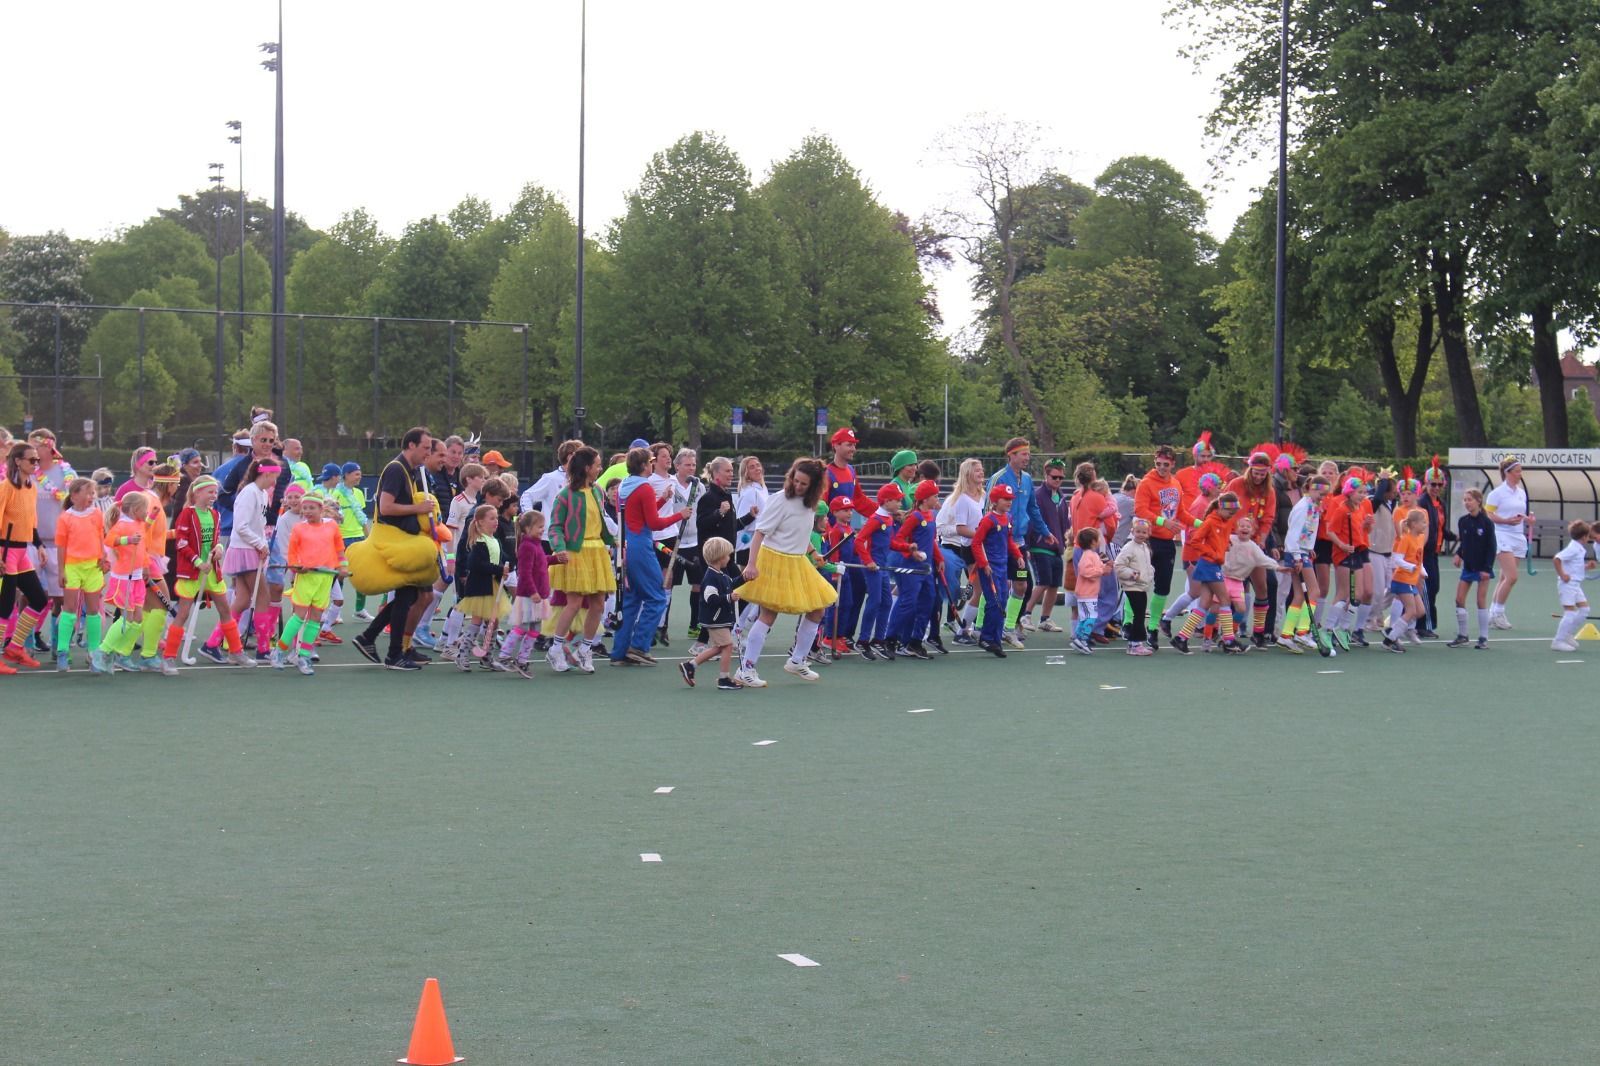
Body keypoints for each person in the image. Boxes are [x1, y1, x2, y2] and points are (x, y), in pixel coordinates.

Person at [734, 457, 840, 687]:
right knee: (768, 615)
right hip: (774, 560)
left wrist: (813, 552)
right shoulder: (780, 500)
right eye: (795, 480)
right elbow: (760, 533)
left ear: (814, 486)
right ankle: (746, 669)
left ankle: (797, 660)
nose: (797, 485)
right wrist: (751, 564)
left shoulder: (811, 503)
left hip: (798, 561)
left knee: (817, 610)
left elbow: (799, 532)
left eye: (803, 483)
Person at [352, 427, 441, 671]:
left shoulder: (410, 470)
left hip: (403, 540)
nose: (428, 453)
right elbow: (386, 507)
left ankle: (372, 638)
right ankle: (393, 654)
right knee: (406, 596)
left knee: (409, 595)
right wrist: (419, 509)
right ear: (411, 445)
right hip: (394, 541)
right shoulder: (395, 469)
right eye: (425, 447)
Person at [159, 475, 253, 674]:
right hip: (192, 572)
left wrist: (219, 548)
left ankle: (236, 652)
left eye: (215, 492)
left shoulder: (215, 514)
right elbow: (181, 543)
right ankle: (168, 658)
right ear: (197, 492)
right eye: (210, 492)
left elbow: (216, 539)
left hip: (211, 572)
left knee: (225, 610)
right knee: (183, 613)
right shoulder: (187, 514)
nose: (214, 495)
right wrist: (197, 562)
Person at [610, 447, 690, 667]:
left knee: (632, 600)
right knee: (657, 598)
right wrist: (679, 515)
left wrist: (662, 500)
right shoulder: (644, 487)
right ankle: (639, 646)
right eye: (650, 461)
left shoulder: (625, 484)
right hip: (640, 545)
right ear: (645, 465)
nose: (652, 464)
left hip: (625, 544)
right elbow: (653, 523)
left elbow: (640, 513)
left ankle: (619, 651)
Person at [546, 446, 617, 674]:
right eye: (597, 465)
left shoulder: (597, 491)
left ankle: (585, 650)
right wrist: (559, 548)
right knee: (574, 603)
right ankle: (556, 648)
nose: (600, 468)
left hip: (597, 552)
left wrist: (613, 541)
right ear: (587, 468)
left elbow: (601, 521)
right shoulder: (565, 495)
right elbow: (555, 526)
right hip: (575, 553)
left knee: (598, 604)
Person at [988, 438, 1053, 647]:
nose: (1028, 457)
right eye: (1024, 453)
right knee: (992, 587)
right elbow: (986, 509)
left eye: (1028, 453)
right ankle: (980, 626)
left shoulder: (1026, 479)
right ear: (1012, 455)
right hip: (998, 543)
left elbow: (1032, 508)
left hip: (1018, 544)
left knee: (1022, 584)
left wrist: (1045, 531)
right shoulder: (998, 478)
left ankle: (1009, 628)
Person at [273, 494, 347, 675]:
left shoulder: (332, 526)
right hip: (306, 578)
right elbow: (292, 554)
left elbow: (339, 549)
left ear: (321, 509)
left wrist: (343, 566)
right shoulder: (299, 528)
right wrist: (297, 566)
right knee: (299, 616)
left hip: (325, 578)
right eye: (304, 508)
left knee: (315, 618)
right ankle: (279, 651)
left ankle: (304, 657)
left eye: (311, 508)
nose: (307, 511)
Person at [0, 441, 50, 673]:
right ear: (18, 461)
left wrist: (39, 545)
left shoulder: (31, 487)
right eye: (32, 460)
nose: (36, 463)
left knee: (39, 599)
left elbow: (31, 522)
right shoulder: (5, 488)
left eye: (37, 460)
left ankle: (15, 648)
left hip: (22, 552)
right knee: (5, 605)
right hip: (5, 550)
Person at [1170, 492, 1239, 655]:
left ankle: (1181, 638)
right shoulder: (1210, 521)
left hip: (1213, 564)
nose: (1231, 515)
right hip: (1209, 564)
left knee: (1204, 604)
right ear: (1220, 507)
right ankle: (1229, 640)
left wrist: (1224, 544)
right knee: (1224, 599)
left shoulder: (1226, 521)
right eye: (1229, 512)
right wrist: (1212, 553)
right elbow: (1195, 540)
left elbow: (1220, 538)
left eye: (1234, 512)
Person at [1134, 445, 1189, 645]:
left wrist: (1203, 524)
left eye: (1166, 464)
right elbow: (1140, 509)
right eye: (1158, 464)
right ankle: (1130, 623)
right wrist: (1162, 522)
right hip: (1148, 540)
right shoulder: (1146, 483)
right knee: (1138, 583)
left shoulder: (1176, 484)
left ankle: (1153, 627)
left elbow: (1181, 513)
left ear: (1173, 464)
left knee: (1163, 587)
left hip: (1167, 542)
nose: (1162, 468)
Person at [450, 504, 511, 671]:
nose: (496, 521)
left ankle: (487, 657)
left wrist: (507, 566)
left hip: (493, 586)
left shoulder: (495, 541)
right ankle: (462, 655)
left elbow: (502, 558)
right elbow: (476, 565)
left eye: (496, 518)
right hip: (480, 587)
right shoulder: (479, 542)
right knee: (477, 621)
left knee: (494, 622)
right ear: (481, 522)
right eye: (491, 518)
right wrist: (499, 569)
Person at [886, 479, 942, 660]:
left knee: (928, 601)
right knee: (907, 603)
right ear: (925, 499)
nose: (937, 499)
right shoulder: (915, 517)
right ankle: (890, 639)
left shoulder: (930, 515)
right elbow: (899, 539)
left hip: (927, 569)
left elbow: (931, 541)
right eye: (935, 496)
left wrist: (939, 559)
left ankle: (915, 642)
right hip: (911, 567)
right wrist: (912, 551)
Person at [1226, 451, 1278, 647]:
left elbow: (1268, 519)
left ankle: (1259, 632)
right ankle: (1226, 633)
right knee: (1229, 588)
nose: (1258, 477)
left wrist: (1262, 540)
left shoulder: (1269, 491)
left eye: (1262, 474)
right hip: (1232, 541)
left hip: (1253, 543)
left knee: (1263, 587)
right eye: (1255, 473)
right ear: (1249, 470)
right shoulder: (1236, 484)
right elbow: (1223, 508)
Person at [97, 491, 152, 673]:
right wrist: (127, 540)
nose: (146, 512)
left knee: (138, 620)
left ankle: (122, 654)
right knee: (127, 619)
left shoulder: (140, 524)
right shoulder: (122, 524)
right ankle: (103, 651)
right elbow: (109, 540)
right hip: (123, 578)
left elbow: (142, 547)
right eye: (145, 509)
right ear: (135, 509)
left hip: (137, 577)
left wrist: (145, 566)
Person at [53, 477, 104, 671]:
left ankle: (94, 653)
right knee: (69, 609)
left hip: (93, 568)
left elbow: (100, 536)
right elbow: (61, 547)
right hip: (72, 567)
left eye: (93, 493)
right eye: (88, 493)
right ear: (74, 495)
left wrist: (103, 557)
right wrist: (61, 571)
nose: (91, 496)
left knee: (93, 611)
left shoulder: (97, 514)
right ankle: (62, 651)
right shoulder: (65, 518)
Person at [678, 536, 742, 691]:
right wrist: (729, 598)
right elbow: (710, 599)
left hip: (719, 618)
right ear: (720, 558)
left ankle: (690, 665)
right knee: (727, 646)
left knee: (720, 647)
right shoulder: (711, 577)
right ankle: (724, 678)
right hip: (715, 619)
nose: (729, 558)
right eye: (727, 555)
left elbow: (730, 584)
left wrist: (744, 578)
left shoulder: (720, 574)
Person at [853, 482, 905, 661]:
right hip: (874, 568)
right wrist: (868, 561)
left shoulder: (888, 519)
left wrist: (908, 548)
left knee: (887, 602)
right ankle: (863, 640)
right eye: (897, 500)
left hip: (882, 567)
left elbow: (890, 543)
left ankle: (878, 639)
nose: (900, 504)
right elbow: (859, 540)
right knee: (874, 602)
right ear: (887, 501)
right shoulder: (876, 519)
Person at [971, 483, 1024, 658]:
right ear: (995, 500)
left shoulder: (1007, 518)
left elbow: (1008, 540)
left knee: (1002, 600)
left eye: (1010, 499)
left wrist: (1018, 555)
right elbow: (976, 543)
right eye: (1005, 499)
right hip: (990, 568)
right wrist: (984, 563)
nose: (1009, 502)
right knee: (994, 602)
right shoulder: (988, 520)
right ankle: (986, 637)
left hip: (1002, 567)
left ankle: (995, 639)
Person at [1069, 462, 1119, 643]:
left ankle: (1087, 629)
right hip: (1095, 548)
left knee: (1087, 591)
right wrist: (1108, 538)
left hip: (1078, 548)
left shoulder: (1075, 497)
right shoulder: (1097, 497)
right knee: (1109, 591)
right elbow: (1111, 524)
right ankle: (1094, 627)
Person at [1278, 474, 1329, 653]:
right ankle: (1302, 632)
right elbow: (1293, 534)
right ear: (1311, 489)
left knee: (1299, 595)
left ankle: (1286, 635)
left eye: (1325, 495)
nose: (1322, 498)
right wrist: (1298, 557)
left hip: (1301, 552)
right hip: (1296, 554)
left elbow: (1306, 533)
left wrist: (1308, 548)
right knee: (1314, 591)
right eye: (1321, 494)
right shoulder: (1303, 507)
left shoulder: (1312, 506)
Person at [496, 509, 550, 677]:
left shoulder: (536, 544)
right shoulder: (527, 546)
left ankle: (522, 659)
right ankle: (504, 655)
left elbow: (541, 561)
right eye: (539, 527)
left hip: (539, 594)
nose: (542, 529)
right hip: (529, 595)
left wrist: (556, 559)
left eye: (543, 526)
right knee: (523, 626)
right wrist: (532, 592)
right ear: (527, 529)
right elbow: (524, 572)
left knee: (535, 628)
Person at [937, 458, 986, 645]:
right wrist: (973, 533)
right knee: (956, 588)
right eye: (977, 470)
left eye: (982, 470)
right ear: (967, 474)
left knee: (976, 589)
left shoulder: (983, 496)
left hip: (975, 545)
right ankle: (956, 626)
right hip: (954, 546)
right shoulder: (955, 500)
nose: (981, 473)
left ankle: (970, 626)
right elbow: (942, 527)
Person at [1485, 455, 1534, 630]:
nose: (1520, 474)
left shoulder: (1521, 493)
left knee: (1505, 577)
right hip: (1501, 535)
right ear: (1508, 473)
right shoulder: (1496, 493)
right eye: (1517, 471)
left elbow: (1520, 514)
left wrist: (1528, 520)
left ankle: (1493, 614)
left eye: (1520, 471)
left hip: (1517, 536)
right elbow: (1489, 515)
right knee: (1512, 577)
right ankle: (1499, 612)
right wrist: (1506, 521)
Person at [1025, 460, 1070, 634]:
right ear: (1046, 476)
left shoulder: (1061, 497)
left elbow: (1064, 522)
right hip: (1039, 545)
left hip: (1056, 547)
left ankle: (1045, 619)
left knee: (1054, 584)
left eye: (1061, 477)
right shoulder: (1037, 495)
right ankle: (1026, 614)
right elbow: (1031, 520)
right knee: (1043, 581)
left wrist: (1066, 540)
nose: (1058, 480)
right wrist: (1028, 545)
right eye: (1054, 477)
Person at [1447, 487, 1496, 649]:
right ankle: (1463, 636)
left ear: (1478, 501)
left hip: (1483, 568)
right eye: (1465, 500)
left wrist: (1487, 569)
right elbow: (1465, 543)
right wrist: (1459, 554)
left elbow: (1491, 547)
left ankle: (1483, 638)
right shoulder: (1463, 521)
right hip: (1468, 567)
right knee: (1459, 599)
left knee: (1480, 601)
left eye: (1470, 500)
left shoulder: (1487, 522)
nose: (1467, 503)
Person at [1381, 507, 1428, 652]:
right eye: (1423, 522)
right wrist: (1411, 567)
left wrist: (1422, 570)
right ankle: (1390, 640)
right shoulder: (1405, 539)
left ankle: (1392, 631)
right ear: (1414, 524)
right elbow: (1397, 559)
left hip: (1412, 581)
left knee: (1420, 611)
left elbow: (1418, 559)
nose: (1425, 525)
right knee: (1411, 611)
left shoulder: (1420, 538)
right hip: (1402, 580)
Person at [1417, 459, 1450, 638]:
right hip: (1423, 551)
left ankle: (1412, 620)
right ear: (1426, 483)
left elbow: (1441, 528)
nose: (1436, 487)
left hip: (1434, 551)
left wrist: (1455, 537)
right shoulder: (1422, 502)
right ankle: (1423, 625)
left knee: (1433, 587)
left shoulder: (1440, 504)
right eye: (1433, 484)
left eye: (1439, 484)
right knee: (1428, 587)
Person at [1550, 520, 1594, 652]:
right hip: (1568, 585)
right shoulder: (1573, 548)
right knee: (1570, 612)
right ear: (1584, 537)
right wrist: (1562, 574)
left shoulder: (1578, 548)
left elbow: (1574, 566)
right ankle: (1558, 641)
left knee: (1584, 609)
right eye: (1588, 536)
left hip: (1575, 584)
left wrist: (1586, 567)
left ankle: (1568, 633)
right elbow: (1557, 559)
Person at [1113, 518, 1154, 655]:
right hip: (1132, 586)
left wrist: (1150, 573)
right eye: (1138, 531)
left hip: (1141, 585)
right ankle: (1136, 644)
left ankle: (1133, 642)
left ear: (1148, 533)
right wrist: (1132, 574)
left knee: (1140, 613)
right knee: (1139, 614)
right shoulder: (1129, 547)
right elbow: (1118, 565)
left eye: (1144, 532)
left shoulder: (1145, 547)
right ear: (1132, 532)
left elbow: (1146, 564)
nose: (1141, 534)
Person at [1070, 527, 1106, 655]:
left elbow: (1098, 567)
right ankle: (1082, 639)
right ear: (1093, 542)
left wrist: (1106, 567)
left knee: (1086, 617)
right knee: (1090, 617)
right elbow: (1086, 572)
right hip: (1086, 594)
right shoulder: (1087, 555)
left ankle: (1079, 638)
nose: (1100, 541)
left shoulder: (1093, 555)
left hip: (1090, 593)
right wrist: (1102, 570)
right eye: (1098, 539)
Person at [734, 456, 766, 569]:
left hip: (760, 542)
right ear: (746, 473)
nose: (757, 468)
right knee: (747, 578)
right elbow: (741, 523)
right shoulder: (750, 492)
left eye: (758, 465)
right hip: (748, 545)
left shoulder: (762, 488)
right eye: (752, 467)